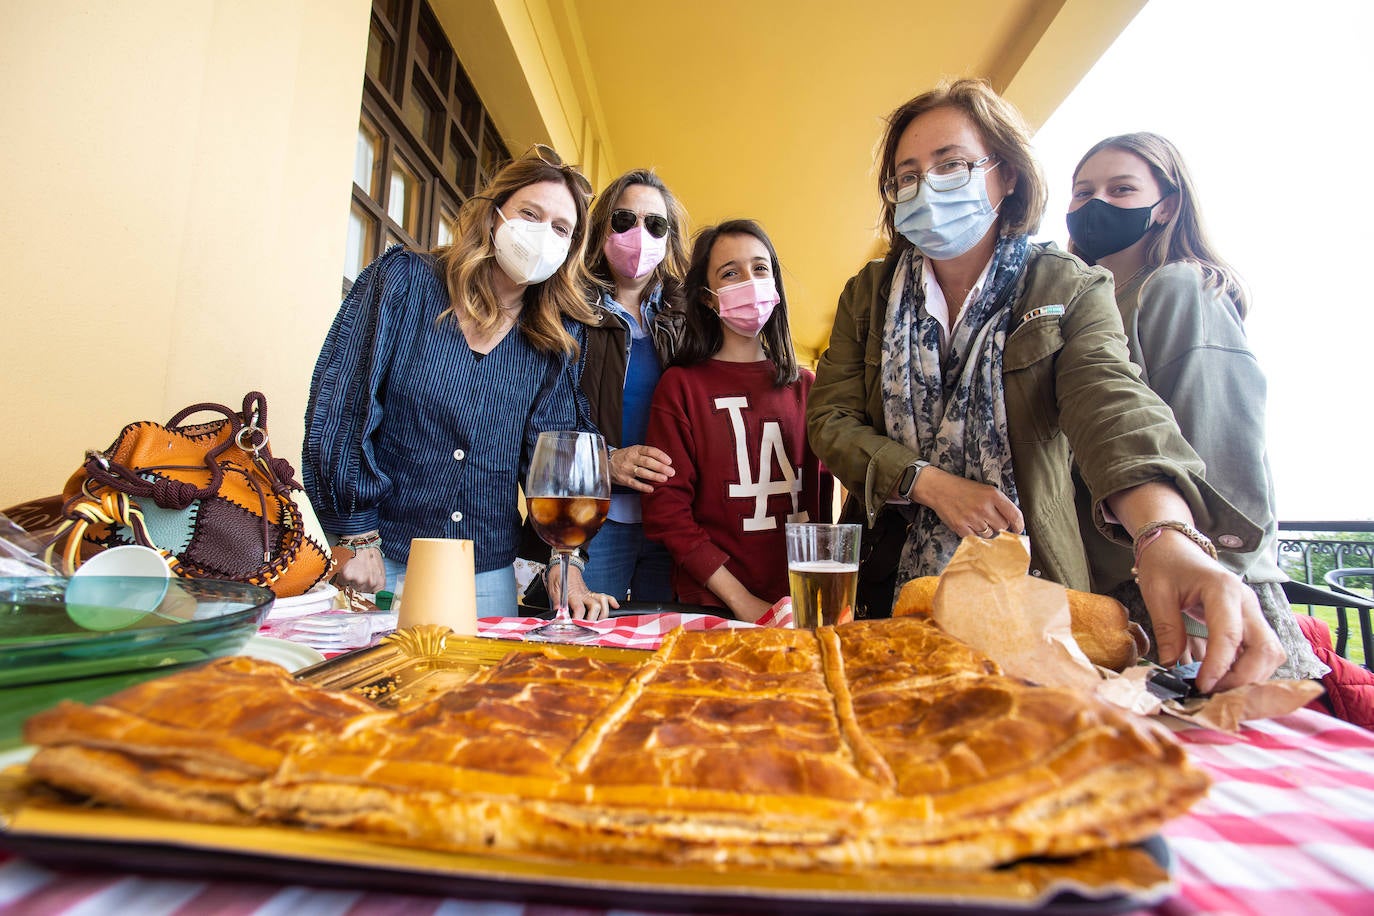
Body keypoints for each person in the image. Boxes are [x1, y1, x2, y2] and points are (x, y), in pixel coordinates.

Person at [806, 78, 1284, 693]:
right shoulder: (867, 296)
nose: (926, 188)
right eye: (907, 175)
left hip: (1033, 586)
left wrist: (1165, 532)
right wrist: (931, 484)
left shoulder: (1068, 287)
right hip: (885, 578)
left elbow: (1111, 404)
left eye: (951, 165)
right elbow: (832, 420)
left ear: (1006, 176)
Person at [304, 146, 616, 620]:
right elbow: (343, 405)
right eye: (529, 214)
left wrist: (563, 560)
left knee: (472, 694)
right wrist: (354, 530)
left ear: (570, 249)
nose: (542, 235)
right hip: (379, 555)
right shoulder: (404, 282)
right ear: (494, 219)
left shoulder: (557, 337)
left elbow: (552, 458)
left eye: (560, 228)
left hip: (485, 568)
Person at [1066, 132, 1325, 680]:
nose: (1095, 205)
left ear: (1168, 207)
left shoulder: (1178, 288)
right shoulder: (1088, 305)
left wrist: (1207, 585)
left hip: (1184, 587)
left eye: (1122, 189)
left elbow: (1221, 447)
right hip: (1115, 586)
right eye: (1082, 191)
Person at [642, 219, 820, 622]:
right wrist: (743, 603)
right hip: (711, 609)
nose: (749, 281)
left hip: (798, 607)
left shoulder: (808, 388)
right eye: (730, 273)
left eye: (760, 268)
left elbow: (819, 507)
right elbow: (667, 512)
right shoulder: (681, 387)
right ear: (707, 298)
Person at [550, 169, 691, 603]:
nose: (639, 234)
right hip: (595, 522)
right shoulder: (566, 310)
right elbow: (541, 419)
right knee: (584, 646)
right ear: (600, 228)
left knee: (666, 654)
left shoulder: (688, 320)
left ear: (669, 239)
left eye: (655, 224)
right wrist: (603, 462)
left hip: (671, 523)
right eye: (624, 220)